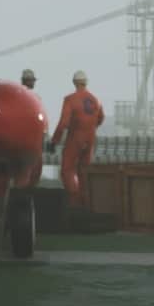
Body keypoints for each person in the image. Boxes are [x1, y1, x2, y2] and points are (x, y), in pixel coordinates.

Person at [50, 70, 105, 208]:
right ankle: (86, 203)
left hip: (75, 137)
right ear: (86, 83)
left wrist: (54, 141)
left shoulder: (70, 100)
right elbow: (101, 118)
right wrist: (91, 127)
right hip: (90, 139)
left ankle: (74, 201)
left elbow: (63, 123)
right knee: (84, 170)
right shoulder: (95, 100)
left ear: (74, 83)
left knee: (67, 170)